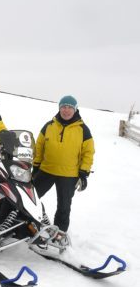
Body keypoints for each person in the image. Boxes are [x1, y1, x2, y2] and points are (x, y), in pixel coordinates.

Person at [33, 95, 95, 234]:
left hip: (69, 175)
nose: (66, 110)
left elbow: (88, 153)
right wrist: (35, 166)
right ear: (59, 108)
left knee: (64, 207)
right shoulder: (49, 125)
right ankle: (25, 224)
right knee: (30, 198)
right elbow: (39, 147)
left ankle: (59, 234)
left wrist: (83, 174)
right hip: (46, 170)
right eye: (63, 107)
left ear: (75, 110)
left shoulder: (83, 130)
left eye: (69, 107)